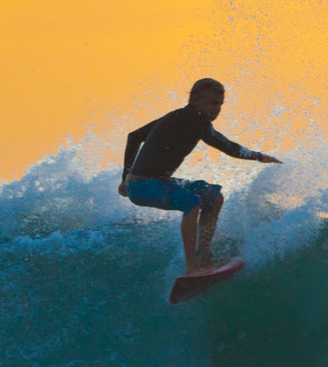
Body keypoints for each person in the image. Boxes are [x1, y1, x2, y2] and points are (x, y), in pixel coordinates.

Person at [120, 78, 281, 275]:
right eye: (212, 103)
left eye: (220, 105)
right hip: (142, 185)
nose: (217, 109)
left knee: (212, 196)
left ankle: (203, 257)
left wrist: (124, 179)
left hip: (157, 182)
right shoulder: (194, 119)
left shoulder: (178, 116)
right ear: (195, 98)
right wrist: (259, 156)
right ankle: (192, 267)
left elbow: (134, 136)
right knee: (192, 201)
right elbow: (226, 146)